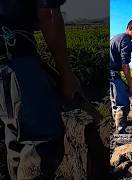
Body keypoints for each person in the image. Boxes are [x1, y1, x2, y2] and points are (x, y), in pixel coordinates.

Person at [0, 0, 81, 179]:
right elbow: (48, 14)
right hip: (15, 58)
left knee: (17, 139)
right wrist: (66, 74)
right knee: (41, 142)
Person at [109, 19, 132, 134]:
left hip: (111, 74)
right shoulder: (127, 42)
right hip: (113, 74)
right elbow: (125, 65)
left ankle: (117, 128)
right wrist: (130, 84)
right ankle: (120, 132)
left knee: (115, 102)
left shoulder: (116, 37)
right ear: (129, 29)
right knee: (123, 103)